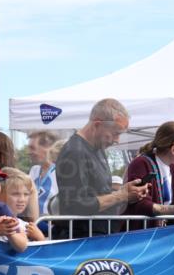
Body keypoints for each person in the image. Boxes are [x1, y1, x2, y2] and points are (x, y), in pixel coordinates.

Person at [54, 98, 148, 238]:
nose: (117, 140)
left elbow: (99, 193)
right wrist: (121, 195)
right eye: (116, 133)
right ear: (97, 124)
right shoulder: (75, 151)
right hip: (83, 239)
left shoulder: (97, 150)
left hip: (99, 235)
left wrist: (125, 193)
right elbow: (75, 205)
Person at [0, 168, 46, 241]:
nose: (22, 199)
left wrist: (40, 237)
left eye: (26, 194)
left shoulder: (26, 226)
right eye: (15, 194)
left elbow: (46, 250)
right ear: (0, 195)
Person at [27, 130, 60, 216]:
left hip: (51, 226)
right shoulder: (34, 170)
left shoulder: (60, 172)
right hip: (34, 224)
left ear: (47, 148)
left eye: (32, 148)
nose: (29, 152)